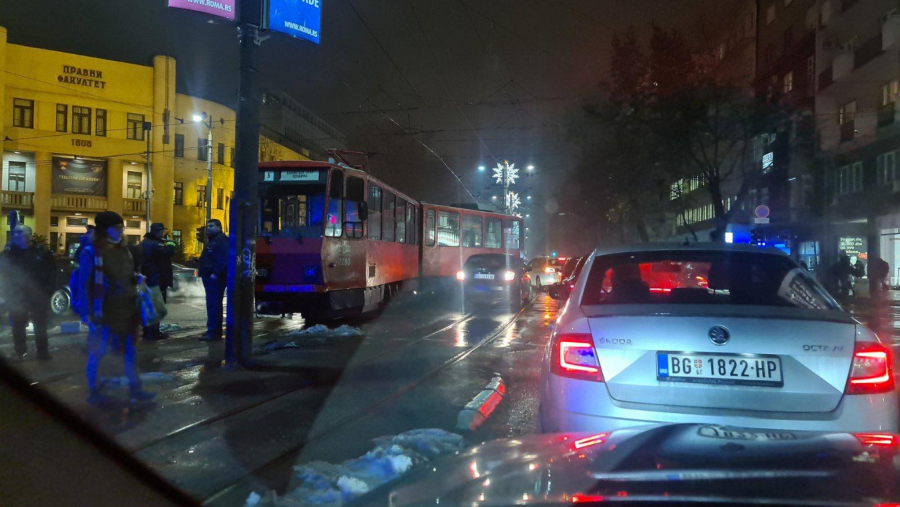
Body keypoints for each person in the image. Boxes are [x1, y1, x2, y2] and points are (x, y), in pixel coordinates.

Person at [74, 211, 154, 404]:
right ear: (104, 230)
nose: (121, 230)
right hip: (103, 311)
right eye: (117, 227)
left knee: (130, 351)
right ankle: (94, 391)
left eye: (121, 227)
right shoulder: (91, 252)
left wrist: (136, 278)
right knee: (98, 352)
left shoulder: (123, 249)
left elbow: (125, 276)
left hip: (127, 309)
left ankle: (135, 388)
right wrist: (85, 312)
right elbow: (83, 284)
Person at [0, 225, 56, 361]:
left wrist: (48, 290)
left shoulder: (41, 252)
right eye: (14, 233)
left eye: (20, 232)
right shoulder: (9, 253)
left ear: (29, 234)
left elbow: (52, 271)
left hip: (38, 294)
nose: (16, 235)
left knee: (40, 325)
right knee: (18, 325)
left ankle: (42, 352)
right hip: (17, 296)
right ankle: (20, 352)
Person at [140, 223, 176, 340]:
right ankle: (153, 332)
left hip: (148, 280)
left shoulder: (145, 243)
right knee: (157, 307)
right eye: (162, 231)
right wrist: (171, 243)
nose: (162, 234)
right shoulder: (155, 244)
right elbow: (168, 252)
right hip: (156, 280)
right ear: (158, 231)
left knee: (149, 307)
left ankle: (148, 331)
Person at [199, 219, 229, 341]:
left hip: (215, 279)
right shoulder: (214, 240)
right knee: (212, 305)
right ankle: (212, 330)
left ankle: (213, 331)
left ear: (219, 227)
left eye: (211, 226)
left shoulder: (221, 241)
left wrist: (215, 273)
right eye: (208, 226)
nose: (208, 229)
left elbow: (223, 260)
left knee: (214, 305)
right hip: (211, 277)